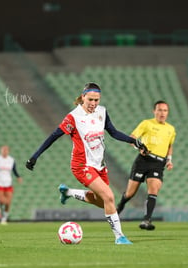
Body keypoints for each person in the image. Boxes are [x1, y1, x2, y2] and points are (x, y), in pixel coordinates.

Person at [25, 82, 148, 245]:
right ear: (83, 97)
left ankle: (68, 193)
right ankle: (120, 237)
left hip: (100, 165)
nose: (93, 104)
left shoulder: (102, 112)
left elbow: (114, 132)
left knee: (103, 201)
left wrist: (136, 142)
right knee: (109, 197)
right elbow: (54, 136)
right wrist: (35, 156)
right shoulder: (73, 117)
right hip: (81, 165)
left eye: (97, 100)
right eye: (90, 100)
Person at [116, 100, 176, 230]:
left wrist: (169, 160)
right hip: (143, 160)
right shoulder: (147, 124)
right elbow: (132, 138)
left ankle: (146, 220)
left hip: (158, 162)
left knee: (153, 189)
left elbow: (170, 145)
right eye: (159, 110)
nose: (162, 113)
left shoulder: (170, 129)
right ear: (154, 111)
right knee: (130, 193)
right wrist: (139, 148)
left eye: (165, 110)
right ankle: (120, 205)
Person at [0, 145, 23, 225]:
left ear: (8, 151)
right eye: (3, 150)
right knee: (1, 200)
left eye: (6, 150)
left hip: (8, 183)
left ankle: (4, 218)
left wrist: (18, 177)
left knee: (8, 203)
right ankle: (0, 210)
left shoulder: (11, 160)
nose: (4, 151)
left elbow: (14, 170)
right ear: (1, 151)